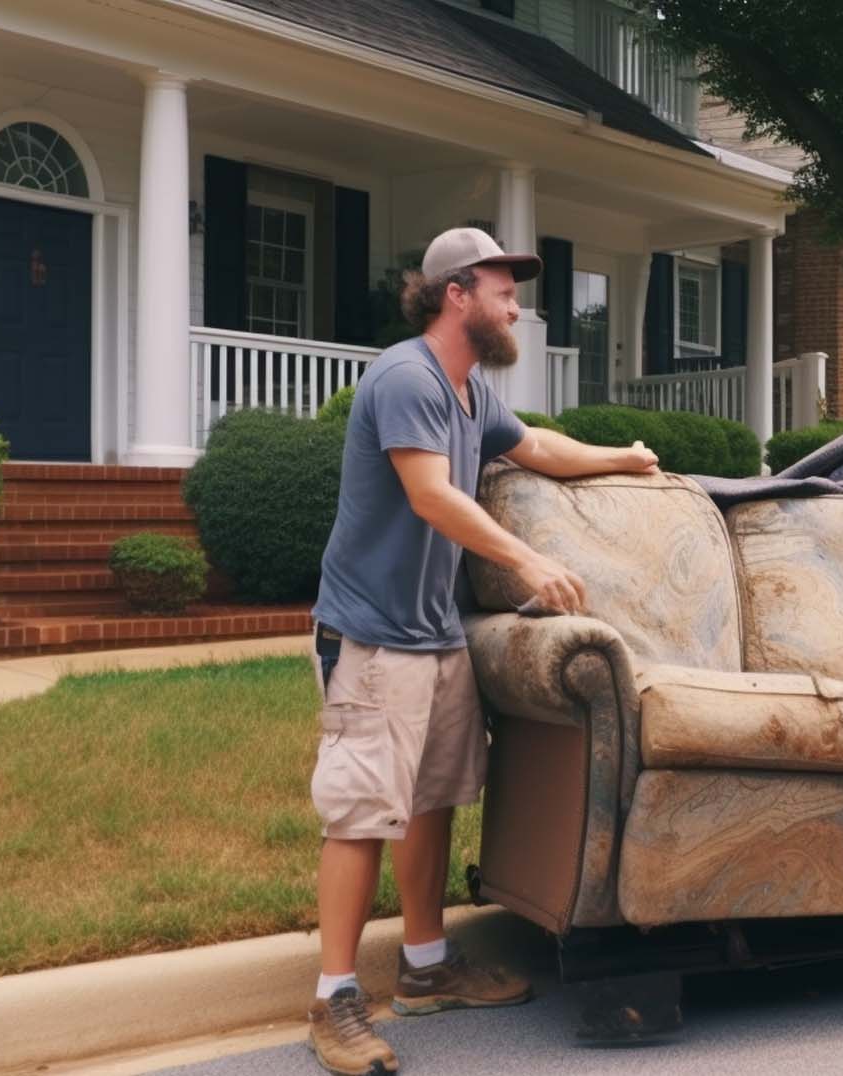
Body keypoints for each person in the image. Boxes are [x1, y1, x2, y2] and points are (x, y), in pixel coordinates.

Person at [304, 227, 659, 1076]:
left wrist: (625, 458)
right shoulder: (406, 378)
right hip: (373, 635)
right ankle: (333, 997)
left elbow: (536, 446)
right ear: (454, 293)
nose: (516, 304)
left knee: (430, 800)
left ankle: (427, 969)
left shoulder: (468, 393)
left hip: (433, 631)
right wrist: (527, 557)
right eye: (504, 288)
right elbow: (429, 496)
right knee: (362, 811)